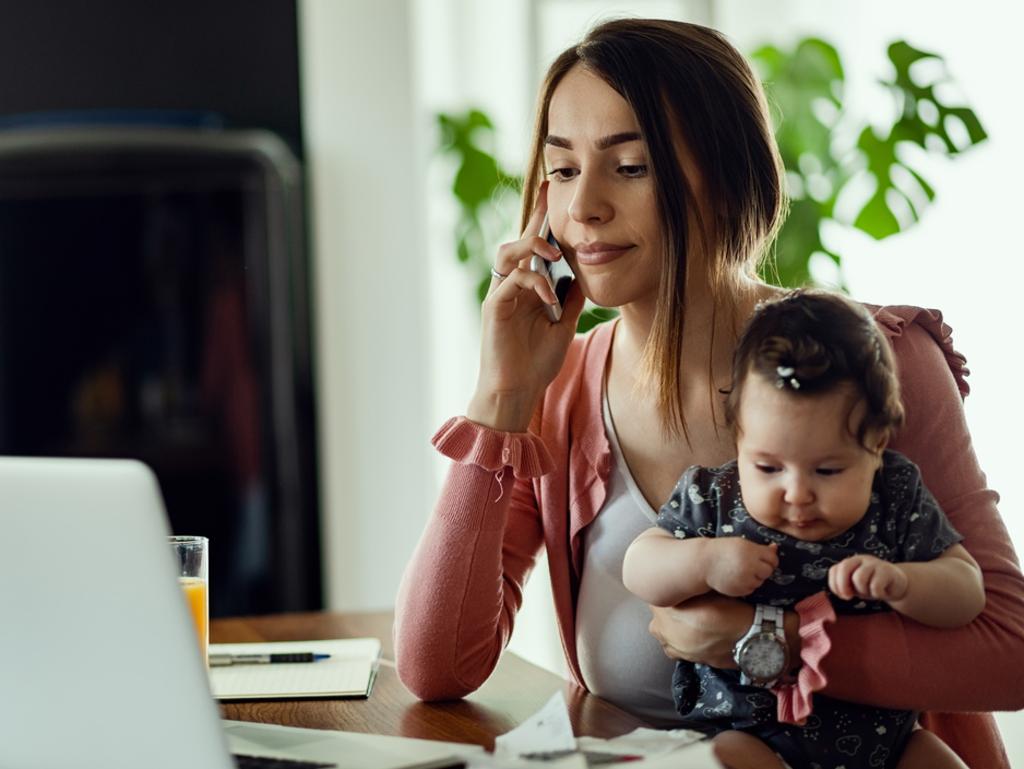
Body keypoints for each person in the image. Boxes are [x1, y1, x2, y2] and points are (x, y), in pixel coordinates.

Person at [394, 18, 1024, 768]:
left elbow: (1008, 652)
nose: (585, 206)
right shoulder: (559, 392)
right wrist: (501, 394)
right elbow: (435, 668)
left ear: (724, 178)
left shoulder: (878, 361)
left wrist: (774, 641)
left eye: (628, 167)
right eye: (562, 171)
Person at [623, 290, 982, 769]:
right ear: (739, 438)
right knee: (726, 761)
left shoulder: (893, 495)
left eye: (828, 471)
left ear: (876, 447)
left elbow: (967, 591)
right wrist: (704, 561)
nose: (796, 493)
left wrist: (908, 584)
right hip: (752, 736)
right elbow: (638, 565)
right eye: (768, 467)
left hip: (889, 746)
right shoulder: (715, 498)